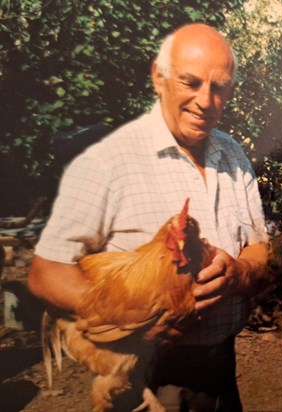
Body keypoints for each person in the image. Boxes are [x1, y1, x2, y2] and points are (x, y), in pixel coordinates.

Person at [28, 23, 269, 411]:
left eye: (219, 86)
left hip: (220, 369)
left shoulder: (234, 155)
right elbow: (44, 271)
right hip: (145, 377)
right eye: (190, 82)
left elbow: (259, 245)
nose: (205, 101)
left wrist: (240, 271)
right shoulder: (107, 162)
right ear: (159, 77)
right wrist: (132, 318)